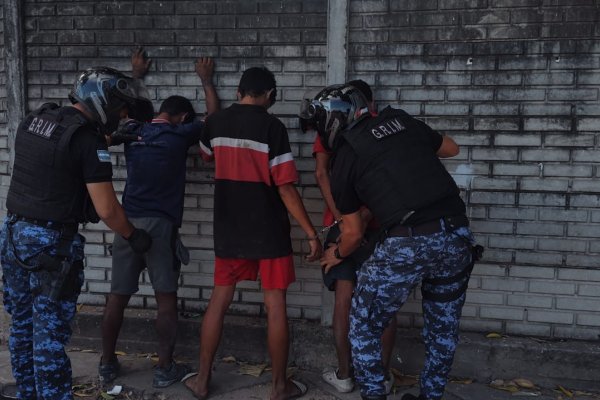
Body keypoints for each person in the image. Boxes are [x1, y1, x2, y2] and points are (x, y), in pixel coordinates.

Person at [302, 84, 479, 400]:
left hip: (407, 242)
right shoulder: (400, 120)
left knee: (365, 326)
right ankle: (431, 395)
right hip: (456, 235)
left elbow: (354, 234)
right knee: (442, 330)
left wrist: (336, 253)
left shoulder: (345, 159)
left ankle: (373, 395)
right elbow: (451, 148)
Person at [0, 64, 154, 400]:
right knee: (49, 338)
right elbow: (107, 209)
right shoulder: (88, 142)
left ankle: (28, 394)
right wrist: (133, 235)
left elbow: (58, 154)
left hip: (12, 236)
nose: (121, 115)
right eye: (120, 109)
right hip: (50, 247)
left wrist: (109, 139)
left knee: (23, 328)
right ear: (103, 102)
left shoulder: (36, 119)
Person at [183, 66, 322, 400]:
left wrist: (207, 88)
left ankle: (202, 381)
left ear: (238, 92)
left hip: (229, 229)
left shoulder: (215, 124)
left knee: (219, 301)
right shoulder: (272, 127)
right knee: (275, 306)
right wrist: (311, 233)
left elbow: (205, 155)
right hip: (269, 231)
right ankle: (278, 386)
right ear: (270, 96)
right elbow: (286, 188)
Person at [98, 50, 220, 388]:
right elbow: (214, 118)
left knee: (116, 297)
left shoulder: (133, 131)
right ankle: (164, 368)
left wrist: (136, 75)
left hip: (127, 224)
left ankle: (107, 364)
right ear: (182, 118)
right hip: (161, 225)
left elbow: (129, 107)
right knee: (165, 299)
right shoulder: (181, 134)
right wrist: (207, 80)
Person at [306, 80, 396, 394]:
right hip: (380, 226)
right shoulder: (384, 130)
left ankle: (344, 375)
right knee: (382, 303)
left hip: (340, 227)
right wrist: (365, 215)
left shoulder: (330, 125)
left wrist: (342, 218)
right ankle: (382, 377)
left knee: (343, 300)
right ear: (369, 103)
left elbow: (320, 173)